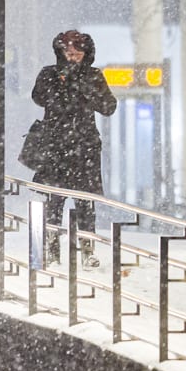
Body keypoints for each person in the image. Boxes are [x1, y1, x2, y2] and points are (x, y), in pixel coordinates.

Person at [31, 30, 117, 268]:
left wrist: (85, 88)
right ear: (60, 52)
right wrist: (60, 84)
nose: (73, 58)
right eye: (68, 53)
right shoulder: (49, 73)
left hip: (84, 147)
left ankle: (87, 250)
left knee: (85, 202)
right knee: (53, 200)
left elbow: (109, 106)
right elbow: (38, 97)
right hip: (56, 146)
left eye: (78, 54)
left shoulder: (93, 75)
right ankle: (51, 249)